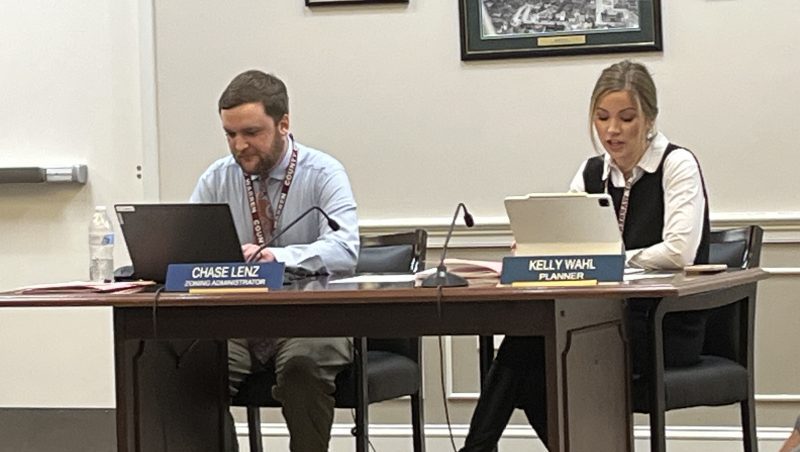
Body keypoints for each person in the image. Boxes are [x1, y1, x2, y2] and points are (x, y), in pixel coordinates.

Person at [460, 60, 710, 451]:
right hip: (598, 318)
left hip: (661, 324)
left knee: (526, 355)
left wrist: (613, 261)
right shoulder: (592, 172)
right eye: (602, 117)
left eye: (626, 118)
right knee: (529, 354)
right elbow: (570, 242)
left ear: (649, 119)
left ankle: (475, 449)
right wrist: (538, 247)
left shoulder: (676, 164)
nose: (612, 130)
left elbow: (679, 251)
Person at [190, 69, 360, 452]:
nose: (239, 146)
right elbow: (190, 250)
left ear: (284, 124)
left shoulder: (323, 173)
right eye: (230, 134)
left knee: (301, 368)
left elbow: (346, 248)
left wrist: (277, 257)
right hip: (238, 321)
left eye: (251, 133)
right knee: (190, 369)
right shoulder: (217, 179)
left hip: (311, 319)